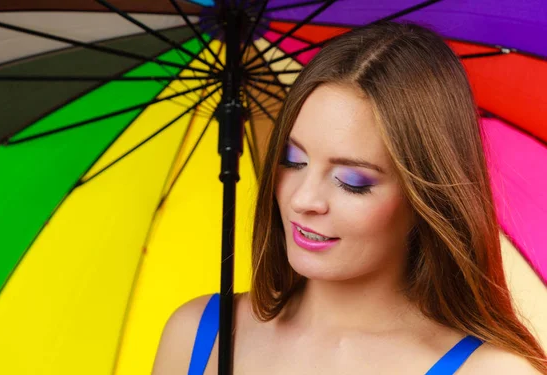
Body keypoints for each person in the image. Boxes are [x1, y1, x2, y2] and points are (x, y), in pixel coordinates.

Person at [152, 21, 547, 374]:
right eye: (293, 160)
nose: (304, 199)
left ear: (424, 200)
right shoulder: (198, 336)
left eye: (352, 180)